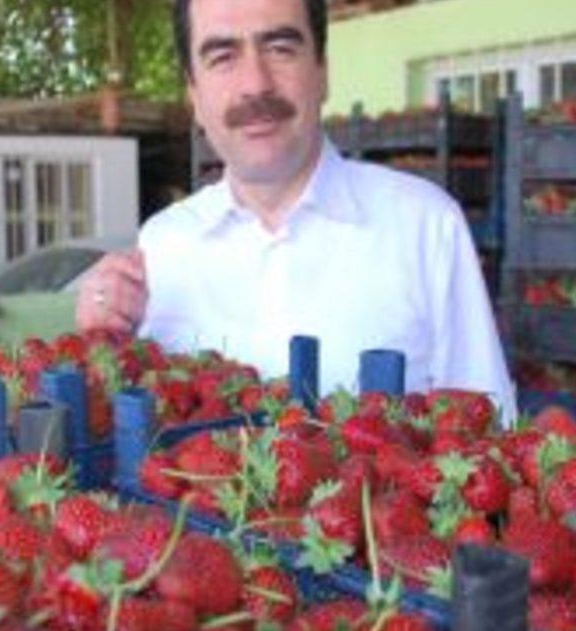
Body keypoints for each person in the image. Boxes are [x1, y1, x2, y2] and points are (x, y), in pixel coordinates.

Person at [76, 0, 515, 420]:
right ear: (194, 93)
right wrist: (102, 337)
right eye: (223, 56)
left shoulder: (425, 226)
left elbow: (489, 436)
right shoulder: (163, 245)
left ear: (322, 71)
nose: (256, 84)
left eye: (280, 48)